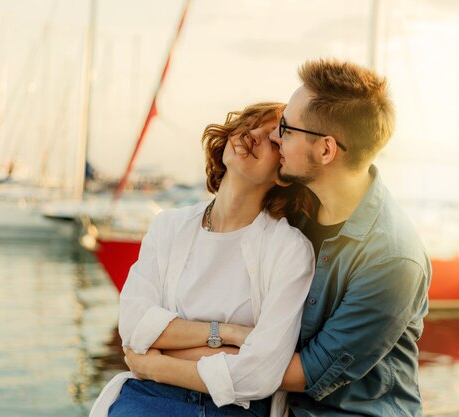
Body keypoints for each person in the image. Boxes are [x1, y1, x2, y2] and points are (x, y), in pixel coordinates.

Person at [89, 102, 316, 417]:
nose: (252, 135)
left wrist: (156, 363)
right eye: (250, 123)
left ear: (284, 174)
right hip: (145, 395)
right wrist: (229, 334)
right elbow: (133, 328)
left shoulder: (289, 250)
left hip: (231, 406)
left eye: (273, 138)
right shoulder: (169, 225)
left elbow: (259, 374)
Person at [272, 59, 431, 416]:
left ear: (326, 150)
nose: (275, 136)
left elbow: (307, 373)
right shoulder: (292, 210)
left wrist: (189, 358)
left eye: (287, 128)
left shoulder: (392, 258)